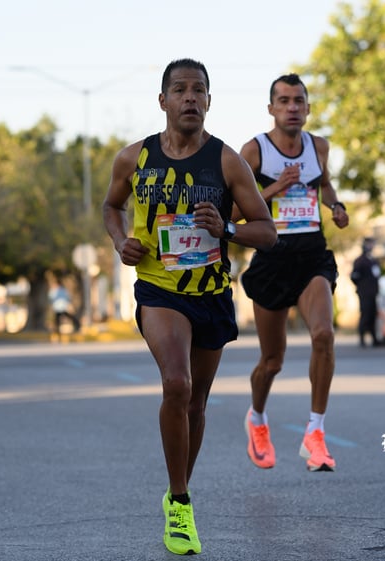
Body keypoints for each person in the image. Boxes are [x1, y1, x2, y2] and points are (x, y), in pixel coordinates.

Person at [102, 58, 276, 556]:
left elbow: (268, 233)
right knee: (176, 384)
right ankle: (180, 502)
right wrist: (120, 243)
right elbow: (111, 207)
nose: (190, 98)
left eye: (199, 90)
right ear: (163, 101)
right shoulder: (133, 159)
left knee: (196, 403)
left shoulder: (226, 162)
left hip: (211, 294)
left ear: (209, 101)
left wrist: (229, 230)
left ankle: (178, 488)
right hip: (159, 290)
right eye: (179, 90)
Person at [238, 73, 349, 472]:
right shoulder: (253, 151)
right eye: (283, 101)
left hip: (311, 256)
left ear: (307, 107)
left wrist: (335, 207)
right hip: (271, 257)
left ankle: (315, 433)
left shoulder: (319, 147)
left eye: (298, 101)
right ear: (271, 108)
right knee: (272, 361)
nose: (292, 108)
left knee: (324, 335)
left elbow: (326, 186)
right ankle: (257, 418)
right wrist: (273, 190)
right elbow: (230, 212)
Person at [351, 237, 382, 347]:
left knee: (373, 315)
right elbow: (354, 276)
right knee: (365, 314)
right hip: (364, 292)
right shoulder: (360, 261)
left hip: (373, 292)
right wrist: (362, 286)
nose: (371, 246)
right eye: (369, 244)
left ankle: (374, 338)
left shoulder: (373, 260)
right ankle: (362, 338)